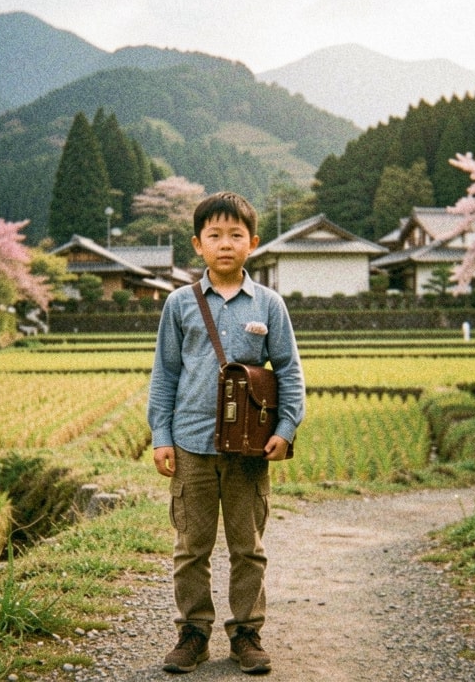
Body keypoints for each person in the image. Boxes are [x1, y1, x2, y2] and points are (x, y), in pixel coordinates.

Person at [148, 191, 305, 675]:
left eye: (235, 235)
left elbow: (290, 373)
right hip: (191, 443)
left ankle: (246, 634)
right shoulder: (179, 304)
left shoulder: (270, 305)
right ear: (197, 244)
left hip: (248, 447)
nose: (225, 244)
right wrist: (161, 435)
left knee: (247, 547)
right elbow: (166, 373)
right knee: (191, 546)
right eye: (214, 235)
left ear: (252, 243)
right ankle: (193, 633)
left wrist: (286, 426)